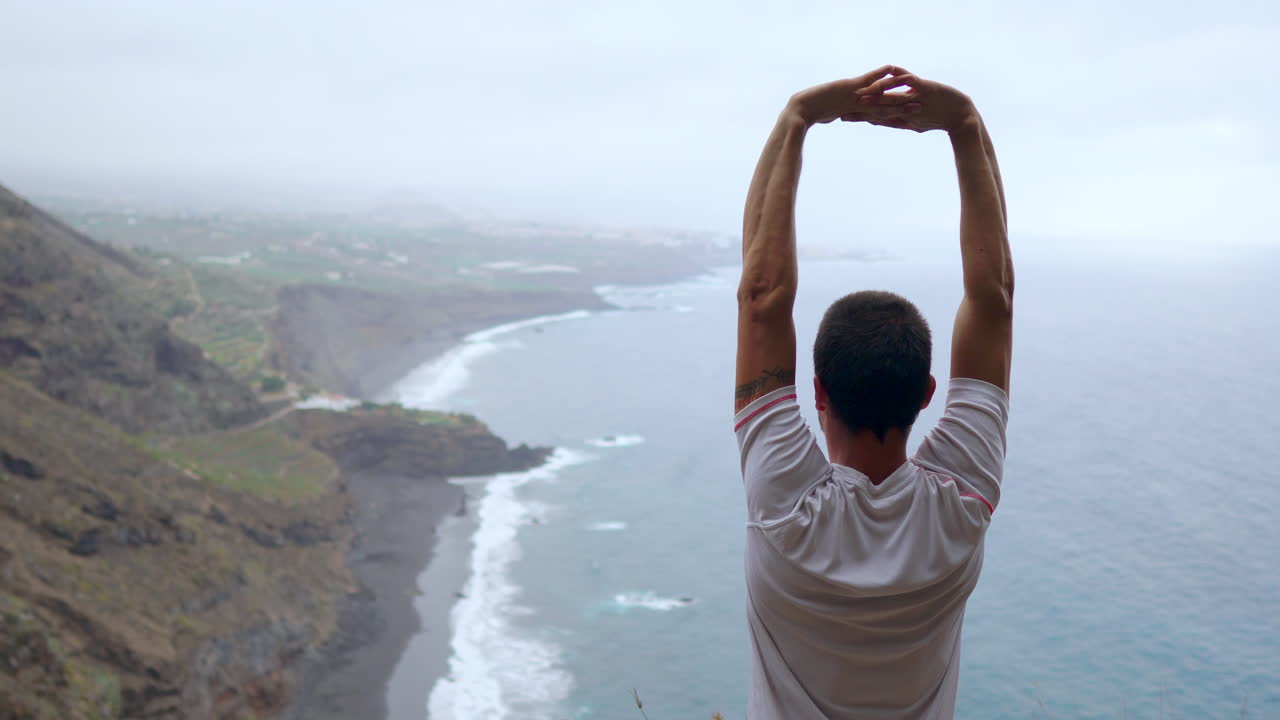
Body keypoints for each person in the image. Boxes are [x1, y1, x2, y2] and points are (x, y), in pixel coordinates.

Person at [733, 66, 1013, 719]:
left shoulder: (785, 511)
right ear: (926, 394)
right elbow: (992, 300)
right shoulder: (962, 505)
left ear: (818, 391)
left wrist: (798, 117)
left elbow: (761, 300)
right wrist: (965, 126)